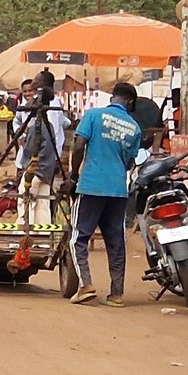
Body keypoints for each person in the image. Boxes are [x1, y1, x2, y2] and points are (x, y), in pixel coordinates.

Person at [63, 82, 145, 307]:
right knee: (116, 242)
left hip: (91, 186)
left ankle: (85, 285)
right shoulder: (134, 127)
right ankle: (116, 294)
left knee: (78, 237)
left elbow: (79, 145)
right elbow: (130, 162)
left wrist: (73, 175)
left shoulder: (94, 115)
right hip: (118, 190)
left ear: (113, 97)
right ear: (130, 102)